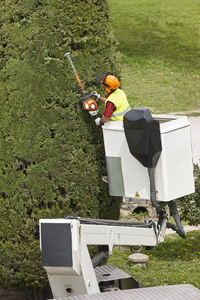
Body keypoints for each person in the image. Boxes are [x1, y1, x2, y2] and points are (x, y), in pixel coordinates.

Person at [91, 72, 131, 183]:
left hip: (118, 129)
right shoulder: (120, 92)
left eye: (104, 86)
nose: (103, 87)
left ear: (108, 88)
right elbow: (111, 101)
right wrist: (99, 98)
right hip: (128, 123)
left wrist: (99, 121)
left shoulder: (111, 102)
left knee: (114, 153)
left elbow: (106, 117)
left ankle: (114, 177)